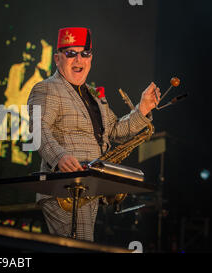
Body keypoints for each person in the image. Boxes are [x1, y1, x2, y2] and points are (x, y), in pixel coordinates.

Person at [27, 27, 161, 242]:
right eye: (70, 53)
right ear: (57, 58)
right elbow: (36, 129)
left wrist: (143, 108)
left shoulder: (93, 96)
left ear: (91, 58)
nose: (78, 59)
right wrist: (59, 157)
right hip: (65, 189)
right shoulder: (47, 88)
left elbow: (117, 131)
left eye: (84, 53)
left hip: (88, 188)